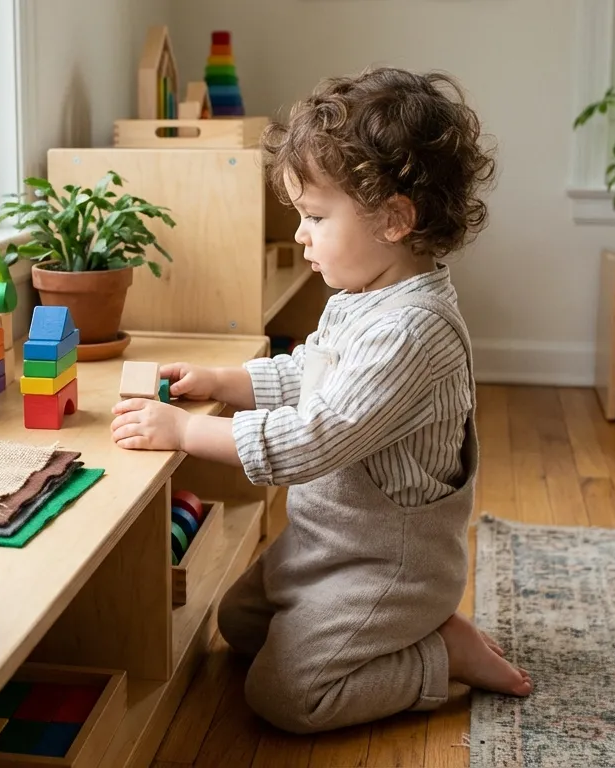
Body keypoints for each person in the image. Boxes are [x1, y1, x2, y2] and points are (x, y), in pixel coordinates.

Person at [109, 66, 532, 734]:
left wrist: (186, 433)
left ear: (394, 219)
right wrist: (226, 383)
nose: (301, 235)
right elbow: (315, 374)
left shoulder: (412, 331)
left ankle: (437, 650)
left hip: (387, 566)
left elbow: (311, 438)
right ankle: (375, 638)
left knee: (286, 696)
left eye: (314, 217)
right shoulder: (361, 299)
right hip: (323, 545)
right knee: (237, 624)